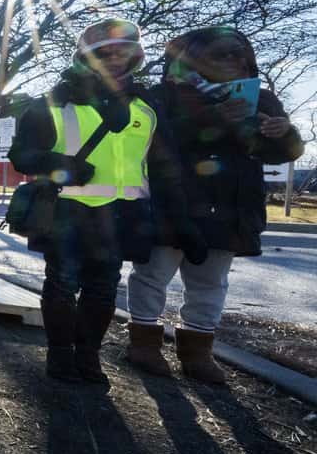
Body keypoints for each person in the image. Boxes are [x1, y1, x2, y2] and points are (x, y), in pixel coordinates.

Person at [9, 18, 204, 388]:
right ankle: (60, 354)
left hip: (121, 215)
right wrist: (59, 165)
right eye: (104, 53)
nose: (114, 59)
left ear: (135, 57)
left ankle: (88, 356)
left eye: (122, 53)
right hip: (67, 210)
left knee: (103, 290)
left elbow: (164, 170)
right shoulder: (54, 101)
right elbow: (22, 155)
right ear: (86, 58)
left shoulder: (146, 107)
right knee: (63, 285)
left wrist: (184, 222)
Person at [127, 26, 305, 384]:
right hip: (171, 201)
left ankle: (197, 353)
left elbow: (285, 153)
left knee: (211, 282)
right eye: (221, 54)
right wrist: (215, 117)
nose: (233, 61)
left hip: (231, 206)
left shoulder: (261, 98)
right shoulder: (164, 94)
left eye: (238, 55)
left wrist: (284, 133)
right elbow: (152, 142)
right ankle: (143, 345)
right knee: (153, 275)